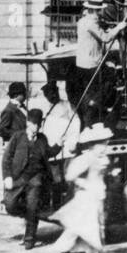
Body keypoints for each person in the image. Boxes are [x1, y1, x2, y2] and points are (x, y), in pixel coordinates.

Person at [49, 122, 113, 253]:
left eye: (105, 143)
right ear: (93, 145)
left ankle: (90, 252)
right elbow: (70, 175)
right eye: (101, 144)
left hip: (98, 193)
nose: (104, 147)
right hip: (87, 194)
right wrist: (83, 183)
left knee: (95, 222)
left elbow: (103, 172)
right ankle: (81, 250)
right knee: (85, 223)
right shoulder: (87, 158)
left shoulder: (101, 157)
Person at [2, 108, 60, 250]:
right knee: (10, 205)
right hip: (18, 178)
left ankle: (30, 239)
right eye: (33, 124)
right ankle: (29, 215)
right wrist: (7, 177)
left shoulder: (42, 138)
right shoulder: (17, 137)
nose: (36, 127)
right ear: (28, 122)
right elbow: (6, 158)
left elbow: (49, 153)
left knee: (33, 207)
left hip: (36, 179)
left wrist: (59, 144)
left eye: (38, 125)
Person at [75, 0, 127, 127]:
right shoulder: (91, 23)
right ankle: (98, 104)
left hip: (82, 63)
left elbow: (97, 34)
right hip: (92, 63)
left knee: (91, 88)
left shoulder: (82, 21)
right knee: (112, 77)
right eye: (99, 11)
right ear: (94, 11)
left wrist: (109, 29)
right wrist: (119, 27)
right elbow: (106, 38)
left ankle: (95, 103)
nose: (101, 13)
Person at [43, 78, 82, 211]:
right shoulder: (46, 107)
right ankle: (56, 205)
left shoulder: (67, 105)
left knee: (68, 176)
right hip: (51, 149)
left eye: (52, 93)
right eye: (47, 94)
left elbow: (76, 122)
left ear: (56, 92)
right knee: (55, 178)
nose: (50, 96)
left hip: (65, 149)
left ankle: (69, 205)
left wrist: (73, 141)